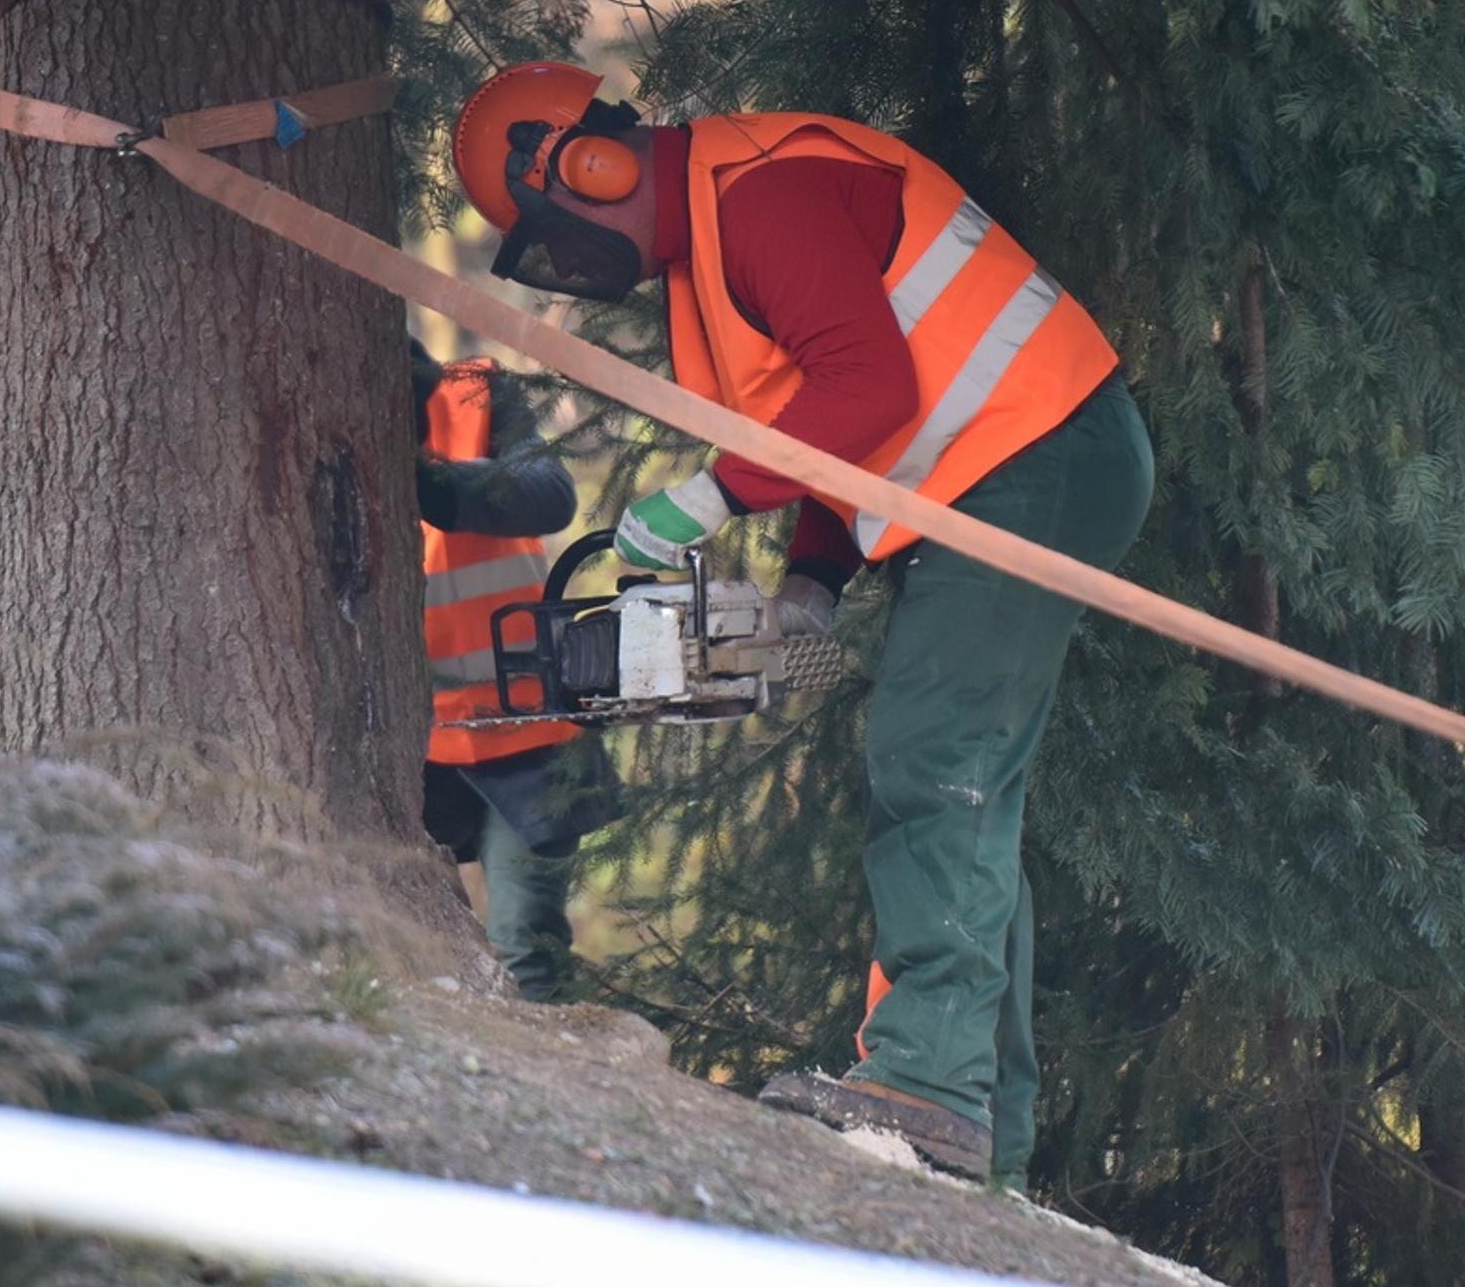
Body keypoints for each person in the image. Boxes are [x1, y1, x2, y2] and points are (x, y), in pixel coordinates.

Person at [449, 62, 1152, 1187]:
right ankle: (989, 1139)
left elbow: (869, 386)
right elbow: (821, 431)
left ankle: (924, 1091)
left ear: (593, 161)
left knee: (933, 757)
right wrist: (811, 585)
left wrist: (705, 498)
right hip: (1005, 472)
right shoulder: (711, 263)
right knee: (970, 782)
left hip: (1035, 457)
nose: (574, 258)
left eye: (560, 221)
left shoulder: (759, 197)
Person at [412, 336, 621, 1001]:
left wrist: (434, 485)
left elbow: (549, 494)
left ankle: (567, 1087)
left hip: (527, 730)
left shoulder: (475, 393)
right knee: (413, 945)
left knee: (522, 945)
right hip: (409, 745)